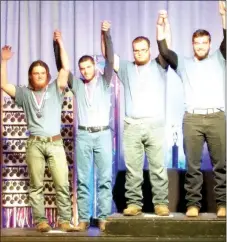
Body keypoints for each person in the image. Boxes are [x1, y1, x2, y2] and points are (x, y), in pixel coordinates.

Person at [1, 32, 77, 232]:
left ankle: (64, 221)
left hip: (56, 143)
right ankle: (41, 221)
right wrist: (4, 61)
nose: (40, 75)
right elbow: (3, 84)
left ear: (48, 75)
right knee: (36, 186)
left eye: (43, 73)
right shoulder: (24, 93)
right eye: (36, 73)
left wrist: (60, 42)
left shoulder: (55, 89)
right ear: (31, 76)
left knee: (62, 184)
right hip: (34, 143)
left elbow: (66, 68)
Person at [156, 2, 226, 217]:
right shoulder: (184, 63)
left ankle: (223, 204)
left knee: (221, 164)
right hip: (192, 119)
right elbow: (165, 51)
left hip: (216, 117)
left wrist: (224, 15)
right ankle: (193, 204)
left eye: (204, 43)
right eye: (197, 43)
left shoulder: (219, 58)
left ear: (210, 43)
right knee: (192, 166)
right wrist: (162, 25)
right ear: (192, 44)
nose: (201, 46)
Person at [101, 16, 172, 216]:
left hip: (155, 125)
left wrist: (163, 26)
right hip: (132, 125)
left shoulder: (159, 64)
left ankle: (161, 203)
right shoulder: (126, 68)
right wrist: (106, 34)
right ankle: (134, 203)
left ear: (149, 50)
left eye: (143, 49)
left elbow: (167, 48)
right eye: (136, 50)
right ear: (133, 51)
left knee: (158, 167)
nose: (139, 53)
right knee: (133, 170)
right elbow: (108, 55)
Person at [53, 21, 114, 231]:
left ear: (95, 67)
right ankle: (84, 219)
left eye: (88, 67)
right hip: (84, 135)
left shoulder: (106, 80)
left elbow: (110, 57)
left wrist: (105, 33)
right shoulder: (77, 84)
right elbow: (61, 68)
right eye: (82, 68)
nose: (86, 71)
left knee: (105, 179)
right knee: (83, 180)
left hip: (104, 134)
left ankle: (104, 217)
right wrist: (58, 44)